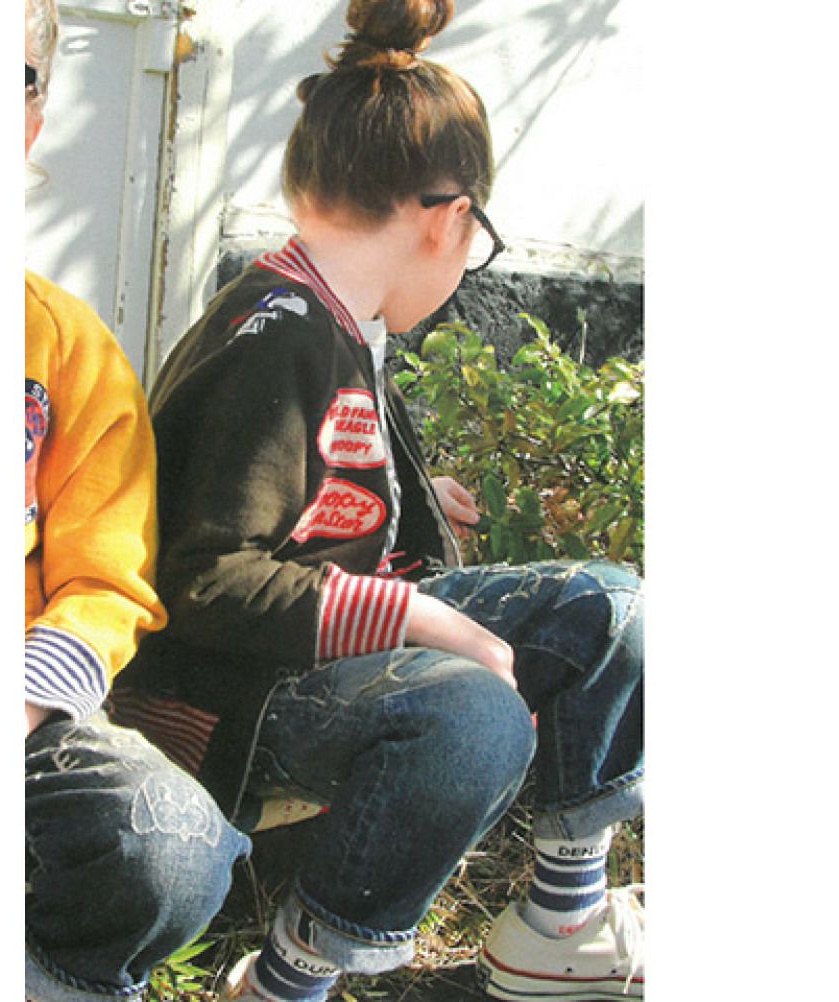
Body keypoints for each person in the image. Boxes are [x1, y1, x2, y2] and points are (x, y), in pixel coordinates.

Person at [109, 1, 644, 999]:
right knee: (473, 717)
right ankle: (287, 980)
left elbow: (293, 489)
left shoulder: (329, 314)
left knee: (610, 612)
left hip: (308, 659)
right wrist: (421, 615)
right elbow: (207, 576)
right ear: (449, 218)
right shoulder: (276, 339)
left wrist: (406, 493)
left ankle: (561, 925)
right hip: (233, 693)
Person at [24, 2, 250, 999]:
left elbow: (106, 582)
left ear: (33, 119)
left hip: (16, 714)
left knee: (172, 840)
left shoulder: (67, 347)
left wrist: (20, 703)